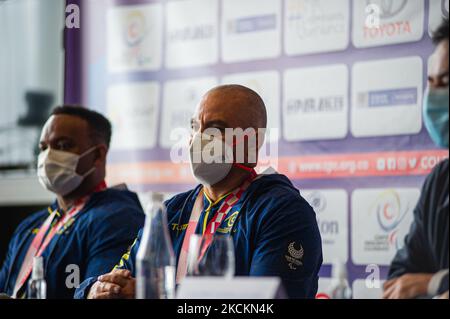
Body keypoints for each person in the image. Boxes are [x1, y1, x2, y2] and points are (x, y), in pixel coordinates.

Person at [75, 85, 323, 299]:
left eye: (214, 130)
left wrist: (152, 292)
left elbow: (261, 302)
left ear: (252, 142)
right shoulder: (172, 210)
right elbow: (113, 278)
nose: (197, 139)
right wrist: (95, 290)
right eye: (195, 127)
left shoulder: (283, 211)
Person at [0, 106, 145, 299]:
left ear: (98, 155)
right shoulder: (30, 226)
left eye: (62, 145)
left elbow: (103, 294)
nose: (48, 156)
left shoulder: (117, 218)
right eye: (44, 148)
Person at [383, 19, 449, 299]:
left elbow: (420, 283)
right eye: (431, 83)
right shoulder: (440, 181)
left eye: (445, 82)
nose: (433, 96)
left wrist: (436, 284)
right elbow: (401, 276)